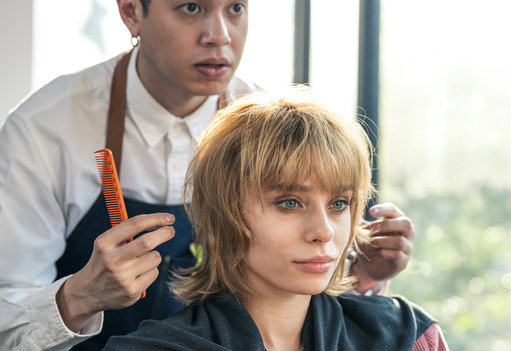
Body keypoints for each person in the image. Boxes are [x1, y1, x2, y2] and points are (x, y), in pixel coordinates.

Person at [0, 0, 414, 350]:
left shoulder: (261, 125)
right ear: (131, 10)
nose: (219, 36)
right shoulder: (45, 130)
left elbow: (288, 306)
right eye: (191, 8)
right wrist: (80, 295)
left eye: (235, 8)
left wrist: (359, 275)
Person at [104, 89, 447, 351]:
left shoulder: (408, 335)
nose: (324, 231)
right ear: (226, 211)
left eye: (339, 203)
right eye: (290, 203)